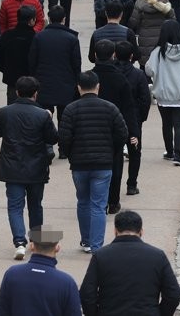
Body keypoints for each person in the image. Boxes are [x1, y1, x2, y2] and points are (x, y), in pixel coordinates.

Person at [0, 76, 60, 260]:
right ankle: (36, 242)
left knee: (15, 206)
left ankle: (19, 243)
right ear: (36, 94)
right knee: (36, 205)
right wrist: (50, 118)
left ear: (17, 92)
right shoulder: (42, 115)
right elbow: (53, 138)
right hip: (36, 166)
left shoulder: (5, 112)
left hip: (12, 166)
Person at [59, 71, 129, 253]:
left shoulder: (70, 109)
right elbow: (122, 133)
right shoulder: (110, 108)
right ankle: (97, 246)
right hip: (103, 163)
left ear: (78, 88)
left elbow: (64, 137)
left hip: (80, 164)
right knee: (99, 205)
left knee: (83, 202)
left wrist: (70, 154)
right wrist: (112, 151)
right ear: (98, 86)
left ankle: (86, 240)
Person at [79, 210, 180, 316]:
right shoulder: (157, 256)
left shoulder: (101, 256)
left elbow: (87, 294)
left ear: (115, 231)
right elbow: (173, 294)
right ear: (141, 232)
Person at [90, 40, 138, 215]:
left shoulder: (89, 78)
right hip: (114, 128)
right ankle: (113, 201)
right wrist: (133, 132)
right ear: (113, 55)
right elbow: (129, 107)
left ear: (95, 55)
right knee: (115, 166)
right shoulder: (120, 78)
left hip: (91, 127)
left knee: (93, 165)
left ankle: (97, 199)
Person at [29, 5, 82, 155]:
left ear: (49, 19)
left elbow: (32, 61)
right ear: (64, 19)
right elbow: (76, 63)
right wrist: (77, 82)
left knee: (45, 115)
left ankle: (47, 146)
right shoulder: (71, 39)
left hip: (43, 82)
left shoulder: (39, 37)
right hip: (66, 82)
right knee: (64, 118)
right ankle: (64, 149)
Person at [0, 226, 81, 315]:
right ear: (57, 248)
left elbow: (3, 311)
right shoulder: (66, 282)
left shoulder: (12, 274)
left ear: (32, 246)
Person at [146, 20, 180, 166]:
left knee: (166, 124)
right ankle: (178, 155)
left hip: (164, 94)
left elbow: (149, 70)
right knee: (179, 125)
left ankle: (169, 151)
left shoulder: (158, 52)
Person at [114, 41, 149, 196]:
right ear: (132, 56)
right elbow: (145, 99)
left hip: (113, 118)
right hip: (133, 119)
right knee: (135, 152)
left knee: (115, 153)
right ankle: (131, 184)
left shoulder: (111, 73)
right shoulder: (138, 74)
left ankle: (114, 183)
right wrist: (141, 117)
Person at [0, 6, 40, 104]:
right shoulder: (36, 38)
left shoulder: (7, 36)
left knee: (13, 109)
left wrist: (5, 69)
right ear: (32, 20)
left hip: (12, 81)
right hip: (32, 81)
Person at [129, 0, 175, 69]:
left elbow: (133, 23)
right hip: (162, 40)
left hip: (144, 41)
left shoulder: (139, 3)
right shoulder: (165, 3)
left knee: (145, 68)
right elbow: (173, 21)